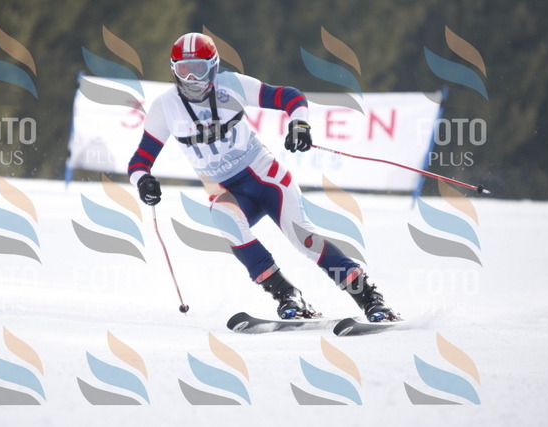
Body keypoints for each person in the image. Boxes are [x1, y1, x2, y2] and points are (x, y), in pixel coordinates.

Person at [128, 33, 398, 322]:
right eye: (184, 69)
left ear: (214, 67)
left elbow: (290, 96)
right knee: (225, 218)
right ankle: (287, 296)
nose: (192, 78)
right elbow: (139, 161)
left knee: (304, 239)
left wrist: (300, 124)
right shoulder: (165, 107)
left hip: (265, 179)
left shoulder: (231, 85)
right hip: (226, 192)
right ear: (173, 70)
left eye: (199, 69)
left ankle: (370, 298)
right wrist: (143, 181)